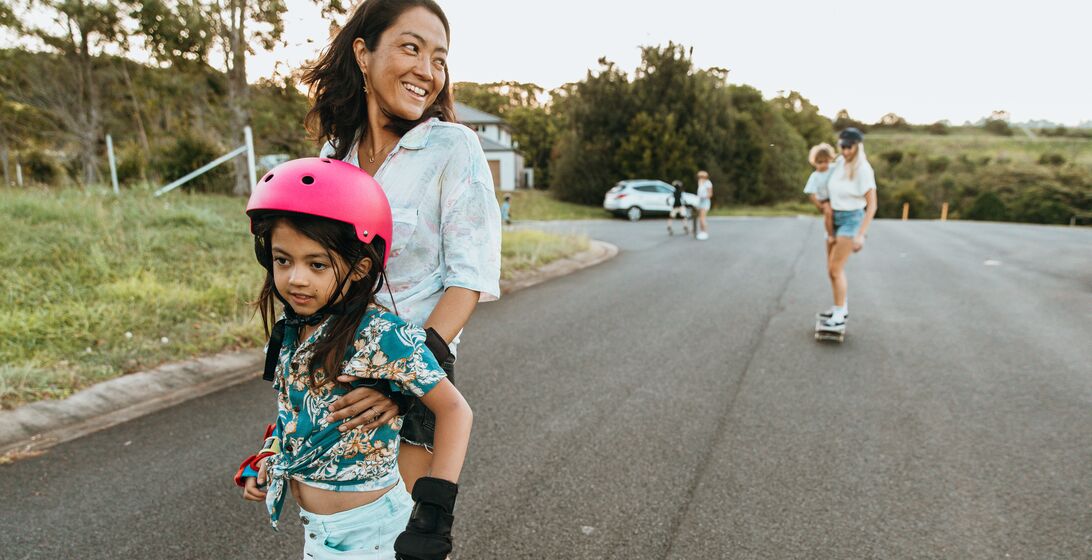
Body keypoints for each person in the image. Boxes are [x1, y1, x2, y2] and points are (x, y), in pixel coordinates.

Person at [302, 0, 501, 493]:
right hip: (336, 376)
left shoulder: (454, 148)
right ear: (363, 54)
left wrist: (400, 381)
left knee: (405, 531)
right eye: (411, 48)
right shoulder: (334, 157)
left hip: (411, 383)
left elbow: (467, 280)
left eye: (439, 58)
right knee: (333, 532)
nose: (427, 71)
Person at [236, 158, 473, 560]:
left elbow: (455, 411)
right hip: (318, 534)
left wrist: (433, 518)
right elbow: (295, 411)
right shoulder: (292, 331)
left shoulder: (383, 334)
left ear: (361, 267)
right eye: (282, 260)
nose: (296, 278)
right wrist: (271, 454)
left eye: (317, 264)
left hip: (374, 533)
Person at [818, 128, 878, 326]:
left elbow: (872, 205)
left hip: (851, 219)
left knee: (836, 269)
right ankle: (838, 307)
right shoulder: (840, 164)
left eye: (848, 147)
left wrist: (861, 234)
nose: (844, 151)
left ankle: (841, 313)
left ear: (857, 146)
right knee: (831, 270)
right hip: (833, 218)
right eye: (842, 146)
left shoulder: (863, 169)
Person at [803, 143, 837, 247]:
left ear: (830, 159)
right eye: (820, 162)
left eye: (826, 161)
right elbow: (811, 194)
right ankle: (830, 235)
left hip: (836, 197)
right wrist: (820, 206)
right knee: (828, 212)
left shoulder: (833, 168)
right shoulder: (815, 176)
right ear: (814, 162)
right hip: (824, 200)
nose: (823, 165)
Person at [695, 170, 713, 240]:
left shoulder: (708, 183)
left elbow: (710, 194)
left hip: (705, 201)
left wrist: (704, 197)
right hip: (700, 202)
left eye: (701, 176)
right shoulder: (700, 183)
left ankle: (705, 232)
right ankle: (702, 231)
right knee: (700, 218)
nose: (699, 178)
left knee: (703, 218)